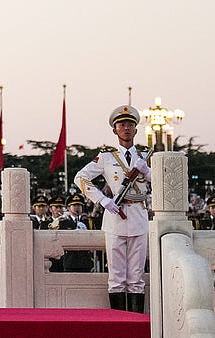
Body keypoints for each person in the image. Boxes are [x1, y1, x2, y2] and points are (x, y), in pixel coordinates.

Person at [75, 104, 150, 313]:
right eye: (122, 125)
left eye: (130, 125)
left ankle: (136, 324)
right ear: (114, 130)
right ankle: (119, 323)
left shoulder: (145, 156)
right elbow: (80, 177)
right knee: (116, 277)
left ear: (136, 130)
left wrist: (148, 171)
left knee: (136, 277)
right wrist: (101, 199)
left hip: (138, 215)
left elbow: (163, 182)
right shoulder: (106, 157)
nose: (126, 128)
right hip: (115, 216)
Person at [55, 194, 95, 273]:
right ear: (68, 208)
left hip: (85, 259)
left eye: (79, 205)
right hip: (70, 259)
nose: (77, 207)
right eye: (74, 205)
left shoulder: (87, 221)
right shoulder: (63, 222)